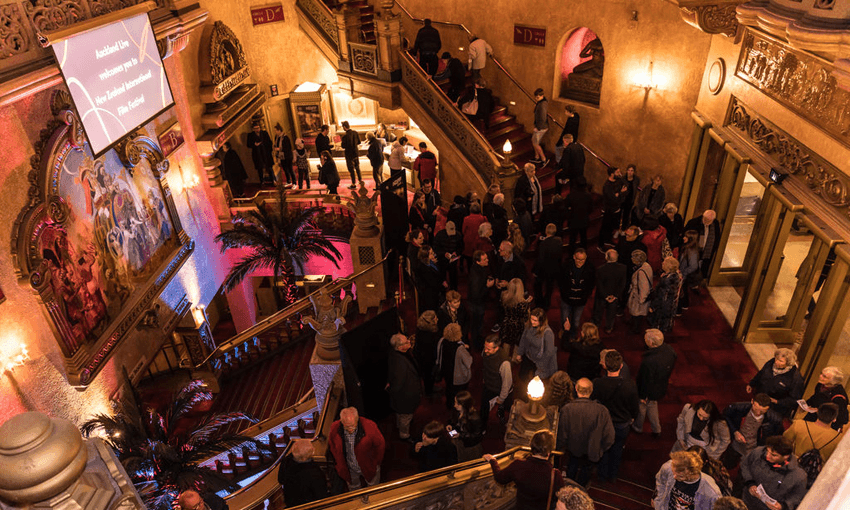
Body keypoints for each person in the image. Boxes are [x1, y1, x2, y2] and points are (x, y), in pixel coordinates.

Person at [484, 430, 567, 510]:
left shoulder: (519, 465)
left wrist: (493, 461)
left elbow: (500, 478)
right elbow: (563, 498)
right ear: (549, 451)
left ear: (532, 446)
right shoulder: (555, 475)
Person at [556, 377, 615, 486]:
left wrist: (560, 448)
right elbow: (610, 436)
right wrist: (600, 449)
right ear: (591, 391)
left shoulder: (567, 409)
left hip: (572, 449)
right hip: (592, 451)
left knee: (571, 468)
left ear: (576, 389)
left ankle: (568, 487)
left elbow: (561, 433)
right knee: (586, 472)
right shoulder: (602, 411)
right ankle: (581, 489)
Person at [592, 350, 640, 482]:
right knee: (617, 449)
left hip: (604, 423)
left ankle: (601, 475)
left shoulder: (598, 383)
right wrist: (633, 417)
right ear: (621, 366)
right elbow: (634, 406)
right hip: (622, 424)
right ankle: (612, 475)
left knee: (603, 449)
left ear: (605, 366)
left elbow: (594, 402)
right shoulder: (630, 385)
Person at [740, 436, 807, 510]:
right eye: (767, 451)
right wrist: (750, 483)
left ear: (786, 456)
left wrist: (783, 506)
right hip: (746, 501)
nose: (767, 456)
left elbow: (797, 496)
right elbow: (745, 465)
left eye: (773, 455)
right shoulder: (758, 452)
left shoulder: (799, 476)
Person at [328, 407, 386, 490]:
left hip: (369, 465)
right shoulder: (335, 428)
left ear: (357, 419)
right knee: (353, 487)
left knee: (373, 486)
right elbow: (332, 445)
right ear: (341, 422)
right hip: (349, 467)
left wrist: (376, 462)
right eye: (347, 427)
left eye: (352, 426)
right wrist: (339, 462)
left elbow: (380, 445)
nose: (350, 429)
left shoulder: (370, 426)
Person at [634, 329, 677, 438]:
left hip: (648, 390)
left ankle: (638, 427)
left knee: (642, 407)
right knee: (652, 404)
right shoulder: (669, 350)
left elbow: (644, 380)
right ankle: (656, 428)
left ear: (651, 343)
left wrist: (643, 395)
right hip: (661, 386)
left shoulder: (649, 361)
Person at [723, 393, 784, 464]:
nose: (758, 413)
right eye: (755, 408)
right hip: (736, 444)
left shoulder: (775, 420)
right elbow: (726, 416)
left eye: (762, 411)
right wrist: (735, 431)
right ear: (752, 401)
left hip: (754, 449)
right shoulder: (738, 408)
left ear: (768, 408)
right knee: (728, 463)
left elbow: (777, 437)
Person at [652, 451, 722, 510]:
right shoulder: (669, 466)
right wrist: (658, 502)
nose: (674, 477)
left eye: (681, 476)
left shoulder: (711, 492)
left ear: (692, 472)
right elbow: (661, 482)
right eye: (673, 472)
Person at [746, 348, 805, 418]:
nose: (776, 362)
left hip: (775, 409)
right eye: (776, 358)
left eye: (780, 361)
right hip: (760, 400)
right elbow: (761, 373)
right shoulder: (771, 363)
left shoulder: (796, 378)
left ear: (788, 363)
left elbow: (795, 399)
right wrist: (752, 383)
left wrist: (777, 402)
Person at [386, 333, 421, 440]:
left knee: (401, 415)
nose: (409, 342)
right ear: (400, 347)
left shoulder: (395, 354)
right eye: (407, 342)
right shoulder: (400, 364)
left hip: (401, 399)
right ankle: (404, 435)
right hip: (405, 398)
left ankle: (399, 424)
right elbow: (397, 385)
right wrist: (390, 390)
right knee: (405, 417)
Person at [279, 439, 329, 506]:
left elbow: (280, 479)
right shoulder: (314, 472)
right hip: (309, 505)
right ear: (311, 452)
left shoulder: (286, 462)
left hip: (291, 504)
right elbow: (320, 494)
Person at [559, 248, 595, 340]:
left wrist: (586, 295)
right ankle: (565, 334)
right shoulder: (566, 266)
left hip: (580, 300)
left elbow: (591, 284)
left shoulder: (590, 268)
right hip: (567, 299)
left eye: (582, 260)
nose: (580, 262)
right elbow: (561, 282)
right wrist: (565, 293)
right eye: (578, 259)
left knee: (576, 321)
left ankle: (573, 335)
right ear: (574, 257)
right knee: (565, 319)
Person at [516, 307, 558, 383]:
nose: (532, 322)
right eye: (531, 319)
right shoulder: (529, 325)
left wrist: (540, 368)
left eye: (535, 320)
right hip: (528, 356)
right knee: (522, 376)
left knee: (535, 383)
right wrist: (519, 353)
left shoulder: (548, 333)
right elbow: (523, 339)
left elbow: (548, 353)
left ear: (541, 321)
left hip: (539, 361)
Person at [482, 335, 513, 428]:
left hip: (500, 390)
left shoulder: (504, 363)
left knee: (508, 409)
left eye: (488, 349)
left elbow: (507, 383)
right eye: (485, 347)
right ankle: (482, 428)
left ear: (497, 348)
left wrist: (501, 398)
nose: (485, 350)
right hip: (489, 386)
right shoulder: (486, 352)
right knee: (483, 410)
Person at [438, 323, 472, 409]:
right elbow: (468, 362)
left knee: (449, 389)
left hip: (446, 372)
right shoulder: (460, 349)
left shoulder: (442, 341)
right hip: (457, 376)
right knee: (459, 394)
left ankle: (449, 405)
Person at [592, 249, 627, 334]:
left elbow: (599, 285)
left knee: (598, 312)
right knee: (611, 313)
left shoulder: (600, 269)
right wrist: (615, 295)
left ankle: (596, 325)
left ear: (606, 257)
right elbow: (622, 284)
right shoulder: (623, 268)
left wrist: (605, 296)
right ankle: (609, 328)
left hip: (601, 296)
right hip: (614, 296)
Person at [802, 366, 848, 430]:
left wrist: (819, 411)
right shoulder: (820, 385)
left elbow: (842, 418)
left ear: (833, 381)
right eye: (821, 374)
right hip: (813, 417)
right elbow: (816, 397)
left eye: (825, 377)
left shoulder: (839, 397)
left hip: (825, 425)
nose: (820, 376)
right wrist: (806, 405)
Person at [684, 210, 721, 281]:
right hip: (694, 250)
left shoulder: (715, 224)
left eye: (709, 221)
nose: (706, 222)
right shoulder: (693, 222)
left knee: (704, 267)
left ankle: (699, 281)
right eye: (705, 220)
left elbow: (717, 237)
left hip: (707, 250)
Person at [448, 390, 484, 461]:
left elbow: (477, 436)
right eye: (455, 402)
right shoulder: (457, 411)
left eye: (458, 404)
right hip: (461, 443)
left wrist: (460, 435)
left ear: (465, 405)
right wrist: (451, 426)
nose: (455, 405)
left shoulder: (474, 418)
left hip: (470, 446)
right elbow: (455, 422)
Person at [533, 223, 563, 308]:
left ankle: (539, 303)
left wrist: (536, 271)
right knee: (549, 287)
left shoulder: (543, 244)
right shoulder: (559, 241)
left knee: (537, 286)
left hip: (544, 269)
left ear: (546, 231)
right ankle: (547, 303)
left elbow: (540, 259)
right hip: (554, 269)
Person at [649, 256, 682, 332]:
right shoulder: (674, 276)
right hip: (669, 305)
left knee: (659, 325)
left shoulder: (667, 281)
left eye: (664, 262)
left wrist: (653, 306)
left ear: (668, 266)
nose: (662, 263)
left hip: (664, 307)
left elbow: (661, 296)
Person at [499, 278, 532, 352]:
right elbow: (526, 317)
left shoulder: (503, 295)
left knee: (506, 343)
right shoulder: (523, 304)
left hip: (507, 323)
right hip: (518, 326)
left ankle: (505, 360)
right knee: (517, 344)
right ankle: (514, 360)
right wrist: (527, 303)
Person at [414, 310, 441, 396]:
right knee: (428, 376)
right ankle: (429, 391)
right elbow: (430, 350)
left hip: (423, 357)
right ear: (431, 321)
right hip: (427, 359)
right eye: (435, 318)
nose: (437, 319)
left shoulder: (421, 328)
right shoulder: (429, 335)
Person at [600, 167, 628, 249]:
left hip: (616, 208)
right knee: (604, 227)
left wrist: (619, 194)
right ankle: (601, 244)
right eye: (617, 172)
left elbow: (626, 188)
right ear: (612, 174)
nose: (619, 174)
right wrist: (620, 193)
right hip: (609, 210)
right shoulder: (607, 185)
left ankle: (608, 240)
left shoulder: (619, 180)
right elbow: (612, 199)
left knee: (611, 227)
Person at [628, 250, 653, 333]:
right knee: (636, 313)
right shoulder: (646, 266)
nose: (631, 259)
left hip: (638, 297)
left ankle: (635, 329)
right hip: (638, 295)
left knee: (637, 313)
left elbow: (644, 287)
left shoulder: (641, 272)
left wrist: (642, 300)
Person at [433, 220, 463, 290]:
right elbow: (435, 248)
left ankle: (454, 290)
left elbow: (461, 247)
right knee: (442, 277)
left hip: (453, 260)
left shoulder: (458, 235)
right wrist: (444, 253)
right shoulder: (439, 235)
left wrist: (456, 253)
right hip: (442, 260)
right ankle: (443, 292)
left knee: (453, 277)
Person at [415, 246, 445, 314]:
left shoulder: (430, 262)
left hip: (434, 293)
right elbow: (433, 282)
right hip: (429, 296)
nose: (434, 254)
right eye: (431, 253)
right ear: (426, 256)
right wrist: (441, 284)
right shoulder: (423, 268)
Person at [565, 180, 592, 249]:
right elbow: (590, 209)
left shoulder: (571, 195)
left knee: (572, 239)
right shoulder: (588, 196)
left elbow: (566, 208)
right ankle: (584, 253)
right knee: (583, 237)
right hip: (584, 220)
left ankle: (571, 255)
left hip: (573, 220)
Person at [678, 230, 701, 312]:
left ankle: (680, 308)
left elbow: (694, 266)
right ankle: (684, 304)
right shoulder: (689, 248)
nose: (683, 238)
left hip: (685, 274)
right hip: (684, 274)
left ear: (690, 239)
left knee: (681, 291)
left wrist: (683, 273)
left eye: (686, 237)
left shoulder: (691, 251)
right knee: (683, 289)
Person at [462, 202, 487, 268]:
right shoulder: (483, 218)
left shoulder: (466, 219)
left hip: (469, 242)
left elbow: (463, 230)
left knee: (469, 260)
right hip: (480, 241)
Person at [530, 88, 549, 166]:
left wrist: (538, 128)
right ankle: (537, 157)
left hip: (541, 127)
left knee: (535, 143)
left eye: (537, 97)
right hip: (539, 126)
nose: (536, 98)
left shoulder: (542, 104)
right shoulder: (540, 102)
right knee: (533, 140)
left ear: (542, 96)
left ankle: (544, 159)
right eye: (535, 97)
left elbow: (543, 118)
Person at [340, 121, 362, 189]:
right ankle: (360, 181)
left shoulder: (345, 136)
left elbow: (343, 146)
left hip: (349, 155)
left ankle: (353, 183)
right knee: (357, 168)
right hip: (355, 153)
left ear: (344, 127)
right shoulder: (355, 133)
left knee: (351, 170)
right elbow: (359, 142)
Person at [619, 164, 640, 235]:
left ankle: (623, 229)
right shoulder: (623, 179)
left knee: (626, 215)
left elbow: (635, 189)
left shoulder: (636, 179)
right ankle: (617, 229)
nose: (630, 172)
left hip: (630, 200)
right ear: (626, 171)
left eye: (632, 171)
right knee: (619, 215)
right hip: (622, 200)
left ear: (634, 172)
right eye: (629, 170)